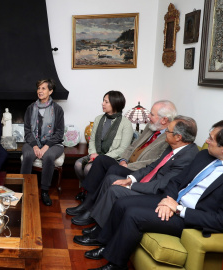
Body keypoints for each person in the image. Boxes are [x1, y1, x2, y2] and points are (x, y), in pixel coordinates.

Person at [84, 120, 223, 270]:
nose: (206, 141)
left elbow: (219, 220)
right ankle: (105, 244)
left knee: (133, 214)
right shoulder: (204, 156)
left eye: (211, 139)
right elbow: (176, 181)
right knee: (122, 203)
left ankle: (116, 265)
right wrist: (168, 200)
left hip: (190, 219)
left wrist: (179, 210)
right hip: (171, 201)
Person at [73, 116, 199, 244]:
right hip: (148, 182)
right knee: (111, 178)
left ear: (178, 137)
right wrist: (130, 179)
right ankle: (97, 221)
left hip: (157, 193)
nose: (166, 132)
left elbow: (160, 185)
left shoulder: (187, 157)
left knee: (115, 190)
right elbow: (152, 167)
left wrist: (130, 187)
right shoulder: (174, 146)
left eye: (168, 131)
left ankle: (99, 235)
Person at [66, 100, 177, 217]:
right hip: (126, 163)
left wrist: (127, 166)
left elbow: (153, 162)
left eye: (152, 114)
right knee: (101, 159)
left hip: (137, 171)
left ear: (164, 120)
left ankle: (92, 209)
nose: (148, 116)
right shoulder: (151, 127)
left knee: (114, 170)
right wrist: (123, 160)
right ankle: (86, 203)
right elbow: (132, 146)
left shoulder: (170, 137)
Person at [74, 91, 133, 193]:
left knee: (88, 168)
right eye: (103, 101)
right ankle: (86, 190)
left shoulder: (126, 124)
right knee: (78, 165)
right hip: (96, 154)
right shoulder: (98, 119)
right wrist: (93, 154)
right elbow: (92, 140)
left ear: (115, 103)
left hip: (112, 159)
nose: (103, 104)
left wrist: (100, 158)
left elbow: (123, 149)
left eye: (106, 102)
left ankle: (93, 195)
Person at [20, 79, 65, 206]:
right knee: (28, 155)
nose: (40, 91)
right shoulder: (30, 108)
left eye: (43, 88)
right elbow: (27, 131)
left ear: (50, 91)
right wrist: (34, 145)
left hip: (54, 144)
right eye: (39, 88)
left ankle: (44, 191)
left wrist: (46, 147)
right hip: (33, 141)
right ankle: (24, 189)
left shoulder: (57, 109)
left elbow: (59, 133)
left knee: (49, 156)